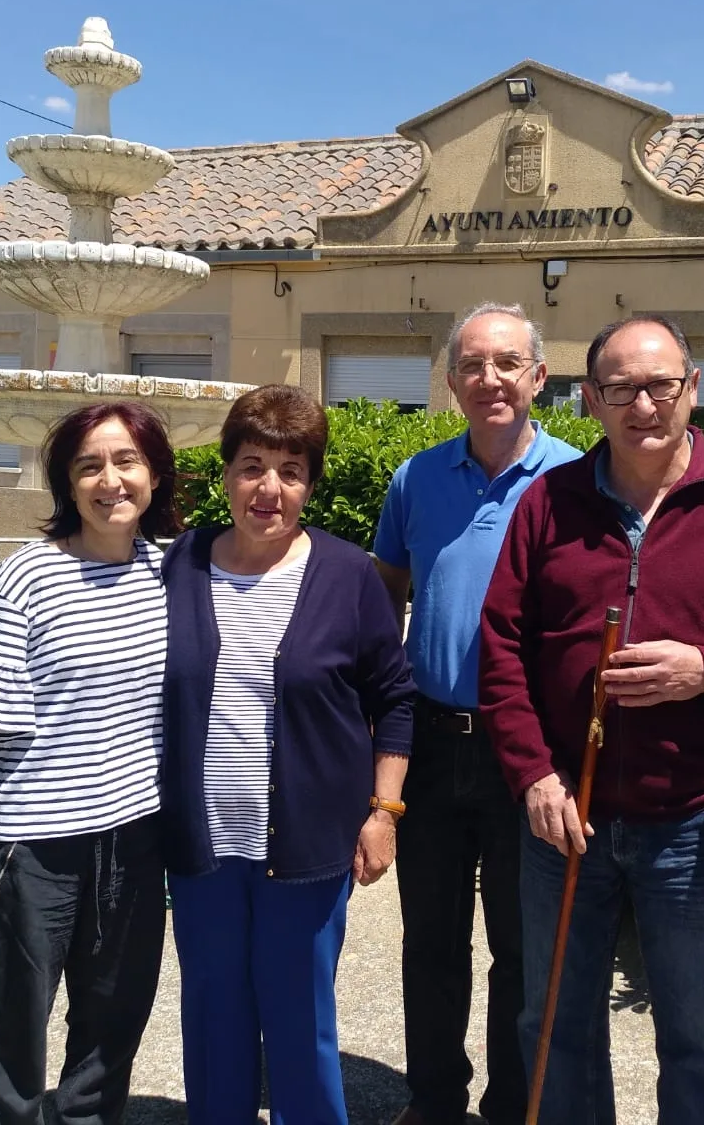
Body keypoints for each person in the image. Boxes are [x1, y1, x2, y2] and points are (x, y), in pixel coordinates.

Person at [479, 315, 704, 1125]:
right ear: (589, 399)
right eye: (621, 388)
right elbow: (500, 648)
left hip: (698, 821)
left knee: (699, 1042)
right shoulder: (546, 505)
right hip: (564, 821)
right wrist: (532, 777)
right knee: (552, 1026)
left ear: (692, 390)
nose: (643, 404)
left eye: (661, 384)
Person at [159, 383, 417, 1125]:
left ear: (310, 482)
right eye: (251, 466)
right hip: (201, 843)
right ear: (225, 473)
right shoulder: (181, 564)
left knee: (301, 1025)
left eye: (290, 470)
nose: (269, 489)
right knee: (213, 1018)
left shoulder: (347, 575)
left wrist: (384, 811)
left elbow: (394, 698)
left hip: (308, 844)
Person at [0, 401, 179, 1125]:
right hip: (29, 845)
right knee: (8, 1037)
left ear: (154, 474)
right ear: (67, 484)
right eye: (88, 466)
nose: (110, 481)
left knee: (112, 1026)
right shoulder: (29, 576)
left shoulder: (170, 574)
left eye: (125, 461)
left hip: (133, 841)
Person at [373, 304, 582, 1125]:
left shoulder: (577, 481)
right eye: (470, 365)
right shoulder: (414, 478)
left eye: (506, 363)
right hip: (431, 741)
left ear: (538, 376)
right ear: (451, 381)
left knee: (522, 952)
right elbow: (386, 596)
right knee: (429, 944)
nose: (488, 379)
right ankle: (432, 1102)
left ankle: (509, 1109)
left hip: (527, 752)